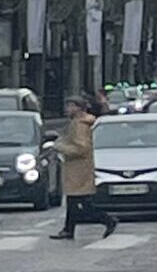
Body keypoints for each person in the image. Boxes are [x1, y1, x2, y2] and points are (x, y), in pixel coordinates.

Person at [50, 96, 118, 241]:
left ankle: (108, 220)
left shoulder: (80, 125)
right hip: (77, 170)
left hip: (79, 171)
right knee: (72, 203)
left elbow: (81, 148)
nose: (67, 109)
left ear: (78, 108)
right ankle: (68, 229)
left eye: (70, 106)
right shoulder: (76, 123)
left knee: (82, 205)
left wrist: (59, 147)